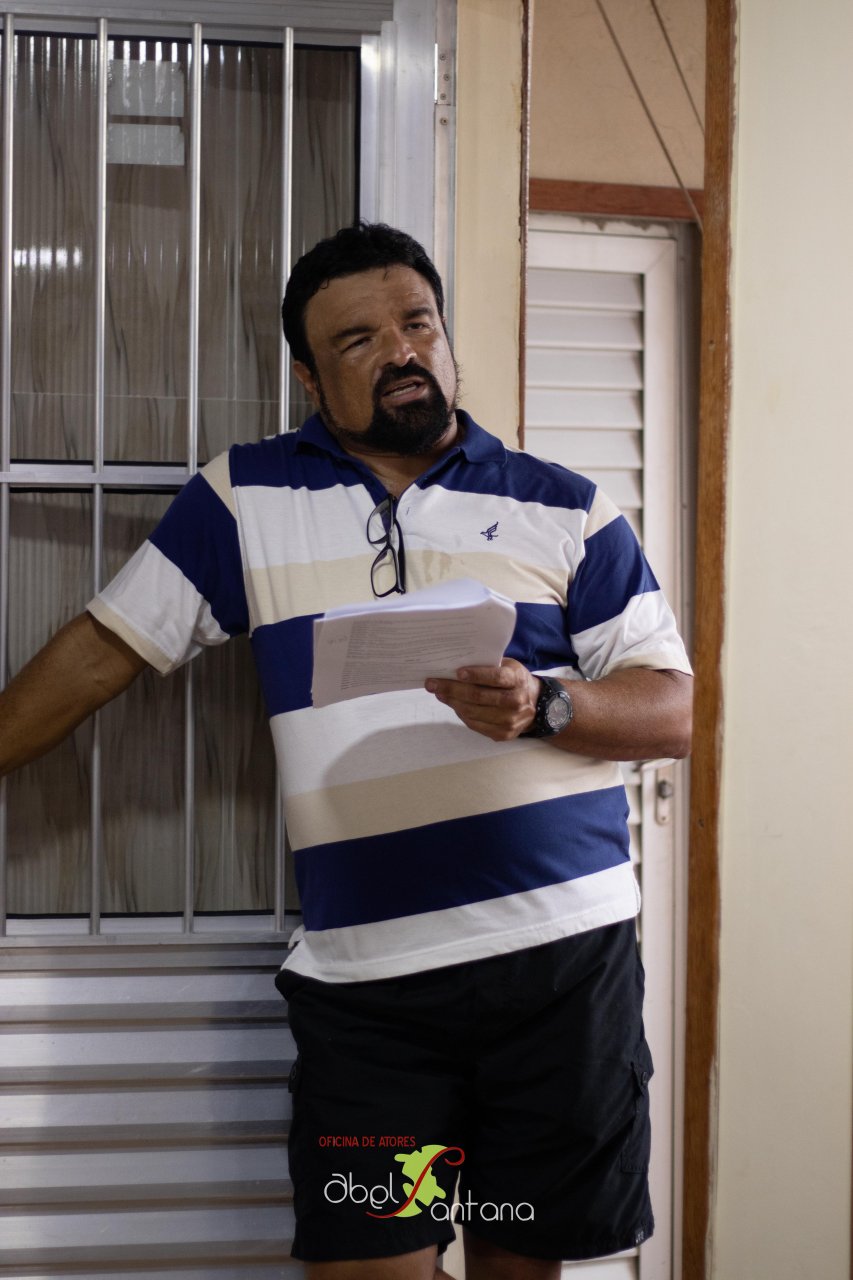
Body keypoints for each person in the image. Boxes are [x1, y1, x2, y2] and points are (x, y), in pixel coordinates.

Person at [0, 223, 692, 1280]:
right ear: (309, 376)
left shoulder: (565, 505)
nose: (401, 351)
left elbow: (671, 710)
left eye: (418, 323)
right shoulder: (246, 499)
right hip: (375, 998)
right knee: (371, 1264)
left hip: (559, 970)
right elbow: (104, 651)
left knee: (521, 1263)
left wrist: (544, 704)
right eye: (358, 340)